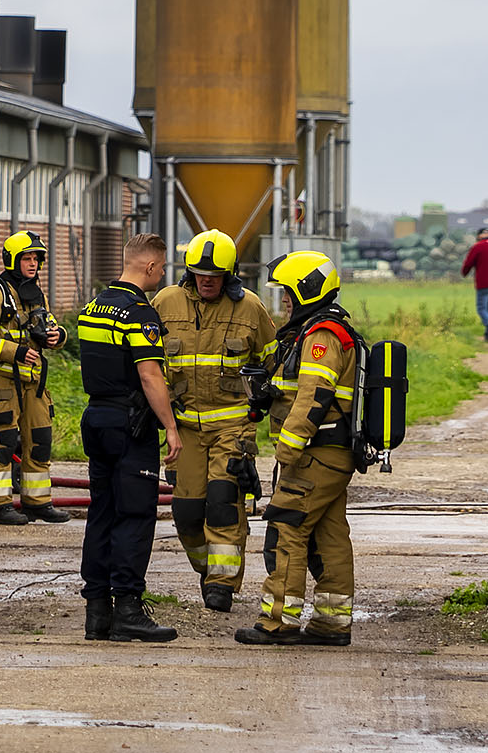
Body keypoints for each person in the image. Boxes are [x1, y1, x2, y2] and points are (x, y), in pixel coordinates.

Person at [237, 250, 359, 647]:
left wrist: (287, 450)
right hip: (331, 453)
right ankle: (331, 622)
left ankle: (278, 622)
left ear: (308, 289)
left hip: (315, 453)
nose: (284, 300)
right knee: (329, 533)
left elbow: (313, 396)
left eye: (288, 292)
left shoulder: (323, 335)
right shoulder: (316, 330)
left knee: (287, 527)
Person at [152, 228, 277, 612]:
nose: (207, 282)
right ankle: (208, 570)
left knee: (223, 504)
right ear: (189, 272)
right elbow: (146, 360)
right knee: (187, 514)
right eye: (200, 275)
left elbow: (274, 361)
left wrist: (264, 400)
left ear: (230, 275)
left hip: (232, 427)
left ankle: (222, 585)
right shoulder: (165, 302)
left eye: (215, 276)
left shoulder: (251, 308)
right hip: (184, 427)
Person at [76, 231, 181, 643]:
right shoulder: (140, 313)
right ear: (151, 266)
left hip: (97, 419)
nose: (162, 274)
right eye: (162, 267)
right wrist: (171, 427)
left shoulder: (93, 307)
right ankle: (129, 611)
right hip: (129, 426)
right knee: (135, 516)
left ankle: (97, 611)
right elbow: (149, 375)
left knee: (101, 512)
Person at [0, 230, 69, 526]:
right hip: (3, 382)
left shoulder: (36, 293)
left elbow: (50, 326)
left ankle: (36, 502)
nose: (33, 264)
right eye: (27, 258)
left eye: (37, 258)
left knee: (39, 441)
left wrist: (58, 336)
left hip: (34, 382)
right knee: (2, 443)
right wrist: (14, 352)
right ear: (13, 260)